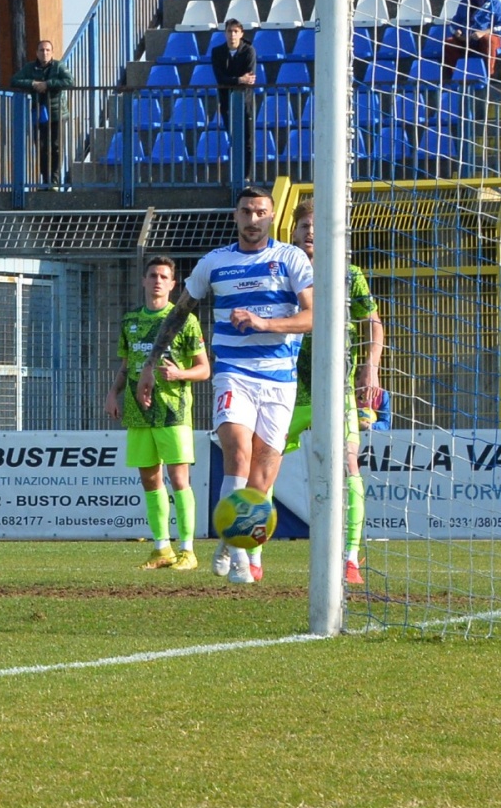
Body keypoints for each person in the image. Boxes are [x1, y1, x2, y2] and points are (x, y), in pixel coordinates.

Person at [137, 186, 313, 585]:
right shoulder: (214, 263)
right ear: (235, 216)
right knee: (238, 453)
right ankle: (240, 559)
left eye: (261, 212)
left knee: (262, 478)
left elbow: (313, 316)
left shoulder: (290, 259)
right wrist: (150, 364)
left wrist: (265, 323)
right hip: (234, 373)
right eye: (246, 212)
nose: (253, 220)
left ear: (272, 217)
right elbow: (179, 313)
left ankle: (231, 542)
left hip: (280, 381)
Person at [285, 198, 384, 586]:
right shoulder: (279, 272)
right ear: (292, 233)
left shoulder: (349, 274)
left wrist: (370, 368)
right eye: (303, 225)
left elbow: (372, 323)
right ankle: (249, 552)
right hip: (286, 387)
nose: (310, 230)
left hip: (337, 387)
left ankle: (349, 557)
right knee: (260, 462)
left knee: (348, 466)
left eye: (317, 223)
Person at [104, 256, 209, 571]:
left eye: (165, 276)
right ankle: (162, 548)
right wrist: (113, 393)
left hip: (173, 412)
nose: (158, 281)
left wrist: (180, 375)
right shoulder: (130, 320)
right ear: (144, 281)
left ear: (174, 284)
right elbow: (127, 365)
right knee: (150, 480)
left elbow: (204, 370)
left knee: (179, 479)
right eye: (153, 275)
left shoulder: (184, 320)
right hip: (138, 414)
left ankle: (188, 550)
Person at [10, 38, 75, 189]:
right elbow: (14, 80)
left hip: (57, 113)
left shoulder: (58, 67)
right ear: (36, 53)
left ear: (52, 53)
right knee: (41, 147)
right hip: (39, 113)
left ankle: (55, 181)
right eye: (41, 50)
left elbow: (69, 81)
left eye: (47, 50)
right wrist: (33, 84)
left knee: (56, 147)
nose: (44, 53)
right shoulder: (30, 68)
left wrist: (48, 84)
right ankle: (45, 181)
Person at [210, 17, 257, 170]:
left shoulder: (249, 50)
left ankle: (247, 176)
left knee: (247, 140)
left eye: (236, 31)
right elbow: (220, 79)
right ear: (225, 33)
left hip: (245, 101)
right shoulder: (217, 52)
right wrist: (239, 79)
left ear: (241, 33)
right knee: (234, 139)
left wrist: (235, 80)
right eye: (229, 31)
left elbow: (250, 78)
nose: (232, 35)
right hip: (226, 102)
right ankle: (235, 173)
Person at [444, 0, 501, 72]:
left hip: (486, 39)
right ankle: (455, 74)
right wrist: (458, 32)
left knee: (489, 40)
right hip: (466, 40)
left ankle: (490, 74)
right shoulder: (464, 2)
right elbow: (454, 24)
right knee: (449, 43)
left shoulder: (496, 1)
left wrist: (484, 33)